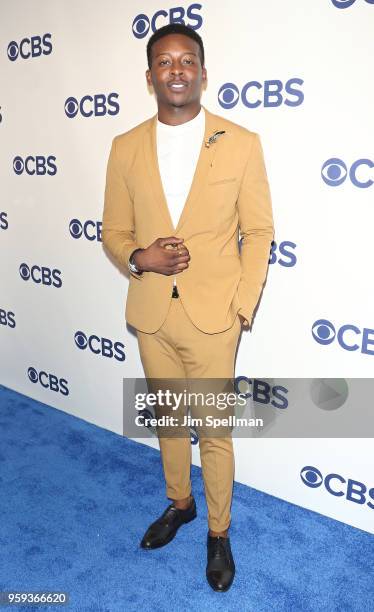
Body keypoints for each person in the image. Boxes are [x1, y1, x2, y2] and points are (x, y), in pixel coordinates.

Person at [102, 23, 274, 592]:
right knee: (170, 421)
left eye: (186, 60)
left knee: (215, 431)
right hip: (152, 312)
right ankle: (180, 503)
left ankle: (219, 532)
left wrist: (242, 308)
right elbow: (113, 230)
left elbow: (259, 230)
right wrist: (138, 257)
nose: (176, 69)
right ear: (149, 75)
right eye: (164, 61)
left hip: (213, 316)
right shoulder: (125, 147)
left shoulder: (242, 141)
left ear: (202, 72)